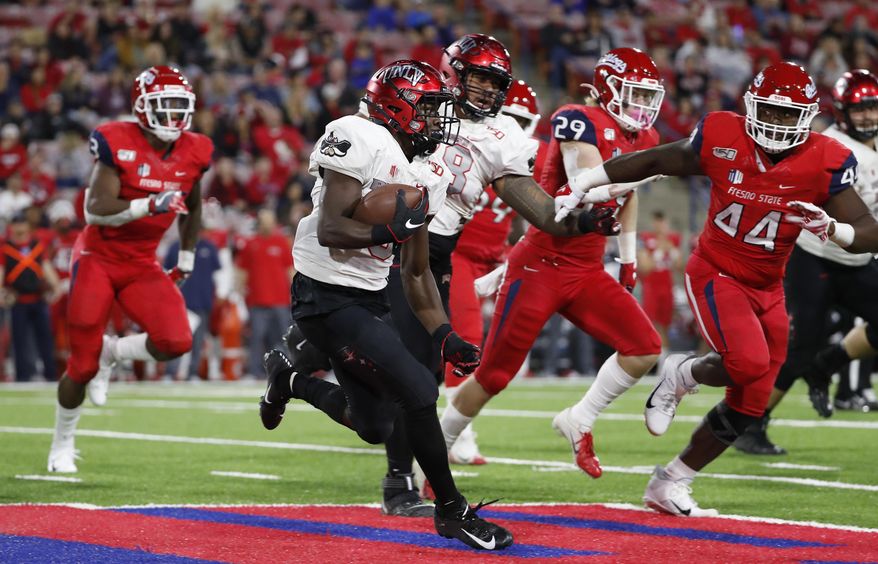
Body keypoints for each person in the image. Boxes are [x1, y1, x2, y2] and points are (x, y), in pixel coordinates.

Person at [555, 61, 878, 516]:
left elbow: (868, 228)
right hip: (716, 271)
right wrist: (585, 182)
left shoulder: (825, 159)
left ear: (807, 116)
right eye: (771, 110)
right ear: (751, 106)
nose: (779, 123)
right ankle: (681, 374)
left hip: (768, 285)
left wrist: (835, 230)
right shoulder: (724, 135)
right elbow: (654, 160)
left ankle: (671, 481)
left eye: (789, 115)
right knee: (747, 362)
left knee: (753, 400)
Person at [257, 59, 513, 550]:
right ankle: (452, 511)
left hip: (370, 294)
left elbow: (416, 272)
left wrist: (445, 335)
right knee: (418, 390)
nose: (440, 119)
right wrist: (389, 229)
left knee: (374, 424)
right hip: (323, 293)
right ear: (398, 107)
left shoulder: (430, 171)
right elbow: (332, 229)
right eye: (430, 108)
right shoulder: (357, 134)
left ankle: (288, 378)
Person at [386, 35, 619, 503]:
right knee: (363, 364)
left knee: (420, 375)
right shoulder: (417, 102)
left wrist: (584, 220)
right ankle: (299, 362)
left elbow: (535, 205)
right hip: (383, 244)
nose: (489, 91)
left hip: (433, 257)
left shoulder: (502, 137)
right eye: (479, 78)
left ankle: (399, 480)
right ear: (453, 71)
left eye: (496, 82)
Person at [439, 47, 665, 480]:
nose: (640, 107)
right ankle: (438, 448)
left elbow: (627, 195)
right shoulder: (577, 119)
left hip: (587, 268)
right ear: (607, 89)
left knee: (644, 347)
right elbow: (591, 183)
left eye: (646, 97)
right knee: (494, 375)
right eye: (632, 94)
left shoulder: (644, 139)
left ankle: (579, 419)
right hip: (540, 264)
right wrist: (650, 170)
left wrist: (629, 258)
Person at [47, 66, 212, 473]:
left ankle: (114, 352)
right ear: (141, 107)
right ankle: (62, 443)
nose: (174, 115)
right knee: (80, 366)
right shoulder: (116, 140)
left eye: (180, 106)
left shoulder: (196, 149)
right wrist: (146, 205)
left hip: (141, 261)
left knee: (176, 339)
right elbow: (95, 210)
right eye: (165, 105)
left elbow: (194, 207)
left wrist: (187, 256)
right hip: (98, 258)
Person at [734, 69, 878, 455]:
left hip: (857, 257)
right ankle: (753, 422)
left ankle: (828, 363)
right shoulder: (834, 146)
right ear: (842, 110)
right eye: (858, 107)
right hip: (814, 255)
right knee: (799, 344)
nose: (866, 115)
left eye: (871, 107)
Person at [443, 78, 547, 466]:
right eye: (511, 119)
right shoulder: (472, 145)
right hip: (458, 252)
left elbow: (529, 213)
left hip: (495, 255)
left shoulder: (530, 154)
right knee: (466, 338)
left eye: (523, 120)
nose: (516, 129)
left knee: (505, 340)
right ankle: (458, 433)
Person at [1, 213, 60, 382]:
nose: (19, 229)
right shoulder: (5, 248)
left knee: (46, 339)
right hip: (17, 300)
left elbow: (46, 266)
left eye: (22, 225)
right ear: (11, 228)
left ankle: (51, 375)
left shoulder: (37, 246)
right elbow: (1, 270)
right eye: (16, 225)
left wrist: (55, 286)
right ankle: (23, 377)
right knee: (19, 341)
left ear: (27, 227)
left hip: (38, 299)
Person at [163, 229, 222, 380]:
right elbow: (165, 273)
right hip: (179, 302)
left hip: (202, 302)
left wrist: (220, 294)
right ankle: (170, 372)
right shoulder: (175, 247)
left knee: (198, 341)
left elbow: (219, 274)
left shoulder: (209, 247)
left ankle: (193, 373)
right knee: (175, 339)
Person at [638, 211, 683, 352]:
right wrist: (659, 252)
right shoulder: (646, 239)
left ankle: (662, 363)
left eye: (663, 223)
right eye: (658, 223)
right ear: (653, 223)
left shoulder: (673, 240)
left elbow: (681, 268)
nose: (661, 226)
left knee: (665, 325)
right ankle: (653, 357)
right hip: (651, 287)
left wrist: (673, 251)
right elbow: (645, 268)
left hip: (667, 286)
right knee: (651, 324)